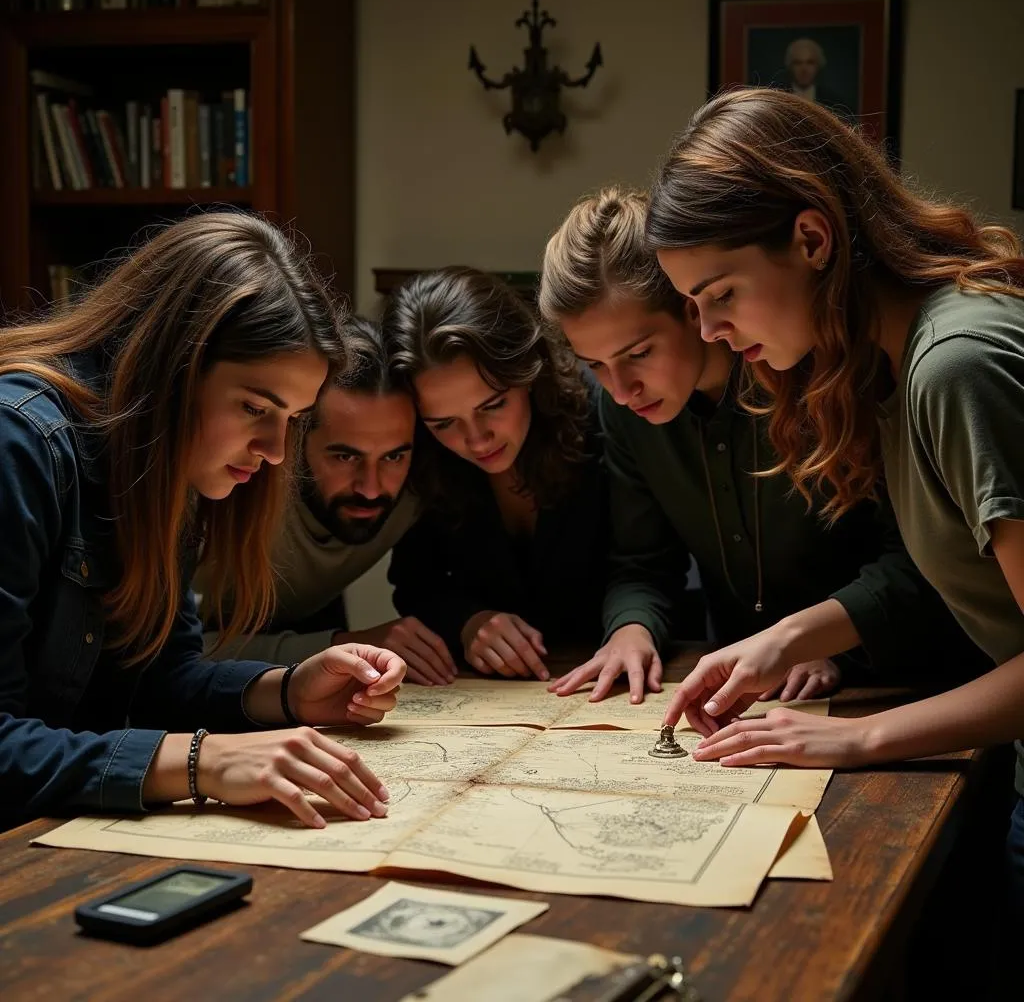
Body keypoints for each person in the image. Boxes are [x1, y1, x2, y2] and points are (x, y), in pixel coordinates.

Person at [644, 87, 1024, 940]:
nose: (706, 331)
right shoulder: (896, 362)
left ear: (812, 238)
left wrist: (857, 738)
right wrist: (782, 640)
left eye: (721, 294)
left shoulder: (955, 364)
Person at [0, 211, 405, 833]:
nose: (275, 449)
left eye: (293, 419)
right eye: (254, 407)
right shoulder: (18, 444)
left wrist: (290, 689)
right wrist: (202, 761)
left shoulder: (166, 459)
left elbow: (161, 679)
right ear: (174, 369)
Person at [538, 186, 987, 706]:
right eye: (595, 364)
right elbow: (642, 561)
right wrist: (631, 627)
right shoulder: (624, 412)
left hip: (909, 682)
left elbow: (919, 558)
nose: (619, 388)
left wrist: (827, 646)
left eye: (638, 353)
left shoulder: (825, 374)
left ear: (692, 308)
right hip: (747, 693)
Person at [197, 315, 454, 685]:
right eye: (345, 457)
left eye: (394, 456)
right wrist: (340, 645)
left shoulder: (423, 485)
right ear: (296, 438)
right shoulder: (232, 481)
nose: (370, 487)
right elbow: (170, 659)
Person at [382, 266, 609, 682]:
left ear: (528, 370)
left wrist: (632, 628)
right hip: (492, 688)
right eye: (444, 423)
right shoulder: (422, 454)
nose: (477, 439)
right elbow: (415, 583)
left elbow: (649, 563)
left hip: (624, 672)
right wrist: (469, 621)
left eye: (492, 405)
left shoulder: (603, 413)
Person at [775, 37, 846, 112]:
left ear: (818, 65)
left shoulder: (833, 102)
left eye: (810, 62)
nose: (804, 69)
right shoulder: (778, 99)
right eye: (798, 63)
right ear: (790, 66)